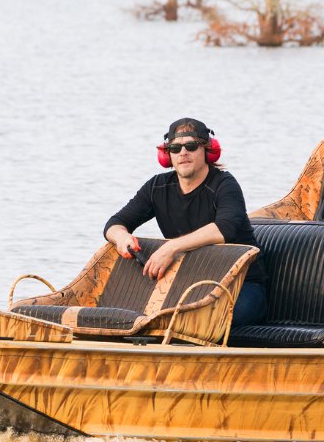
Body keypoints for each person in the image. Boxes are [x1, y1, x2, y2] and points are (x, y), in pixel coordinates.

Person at [104, 117, 267, 326]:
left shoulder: (225, 184)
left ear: (207, 151)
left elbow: (226, 228)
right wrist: (121, 237)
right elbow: (115, 223)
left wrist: (171, 247)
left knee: (204, 321)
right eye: (175, 148)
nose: (183, 153)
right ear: (167, 155)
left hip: (242, 285)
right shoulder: (157, 186)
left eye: (191, 146)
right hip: (191, 284)